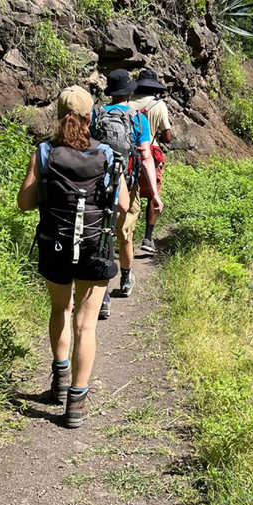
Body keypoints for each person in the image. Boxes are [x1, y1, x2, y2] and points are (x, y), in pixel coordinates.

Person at [18, 85, 129, 429]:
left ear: (57, 113)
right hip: (95, 249)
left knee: (60, 310)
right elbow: (123, 204)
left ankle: (59, 380)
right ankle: (75, 405)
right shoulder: (108, 155)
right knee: (86, 323)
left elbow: (24, 203)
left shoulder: (44, 153)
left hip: (56, 246)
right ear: (90, 116)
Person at [92, 69, 163, 319]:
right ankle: (124, 278)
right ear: (129, 92)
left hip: (97, 182)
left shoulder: (97, 113)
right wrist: (154, 193)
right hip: (127, 184)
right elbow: (145, 157)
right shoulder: (137, 119)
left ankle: (103, 297)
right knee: (124, 234)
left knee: (102, 235)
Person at [129, 68, 172, 255]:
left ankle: (125, 234)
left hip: (128, 154)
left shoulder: (127, 103)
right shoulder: (158, 105)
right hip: (150, 154)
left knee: (128, 193)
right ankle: (147, 237)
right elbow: (167, 136)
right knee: (153, 194)